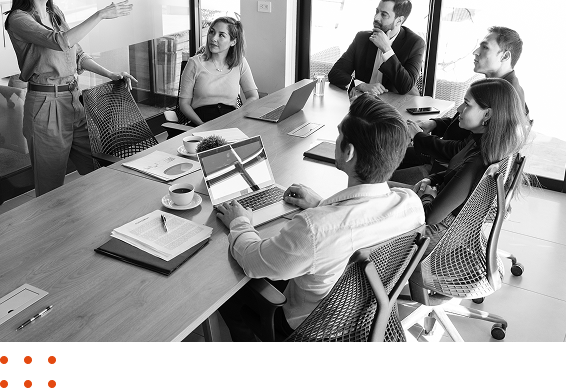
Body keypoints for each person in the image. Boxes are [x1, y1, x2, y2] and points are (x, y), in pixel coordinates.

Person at [215, 94, 426, 341]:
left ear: (349, 152)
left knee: (229, 291)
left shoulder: (314, 228)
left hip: (310, 331)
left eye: (339, 134)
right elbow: (356, 223)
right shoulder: (411, 204)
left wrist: (239, 221)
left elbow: (252, 261)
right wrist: (321, 205)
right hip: (364, 319)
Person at [4, 0, 137, 197]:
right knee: (50, 189)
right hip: (45, 107)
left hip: (73, 101)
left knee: (102, 166)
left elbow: (77, 54)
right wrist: (100, 15)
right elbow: (60, 41)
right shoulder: (18, 19)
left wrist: (109, 73)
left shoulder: (56, 14)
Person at [392, 77, 530, 253]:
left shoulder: (478, 160)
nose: (459, 109)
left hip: (435, 235)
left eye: (467, 104)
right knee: (380, 190)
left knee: (373, 198)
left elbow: (432, 216)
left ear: (487, 115)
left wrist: (427, 196)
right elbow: (455, 173)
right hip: (444, 218)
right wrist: (432, 179)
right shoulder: (484, 142)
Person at [393, 26, 529, 183]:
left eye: (485, 47)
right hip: (440, 156)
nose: (475, 52)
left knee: (377, 171)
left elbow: (462, 151)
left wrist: (419, 137)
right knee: (384, 154)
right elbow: (463, 124)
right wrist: (434, 124)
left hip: (444, 172)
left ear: (505, 56)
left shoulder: (506, 99)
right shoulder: (498, 88)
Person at [327, 0, 425, 95]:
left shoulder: (415, 44)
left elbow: (405, 86)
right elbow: (335, 73)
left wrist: (387, 49)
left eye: (384, 15)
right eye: (377, 11)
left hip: (396, 103)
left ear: (399, 21)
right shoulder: (362, 38)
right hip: (363, 101)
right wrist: (362, 85)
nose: (376, 17)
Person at [178, 17, 259, 125]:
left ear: (233, 42)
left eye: (221, 35)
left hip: (230, 123)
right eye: (212, 32)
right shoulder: (194, 63)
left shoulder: (240, 62)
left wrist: (238, 115)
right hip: (201, 123)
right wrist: (201, 125)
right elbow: (184, 104)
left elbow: (253, 96)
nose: (213, 38)